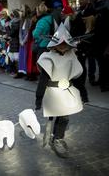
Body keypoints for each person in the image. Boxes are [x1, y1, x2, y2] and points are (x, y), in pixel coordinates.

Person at [35, 18, 84, 158]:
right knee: (55, 115)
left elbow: (77, 77)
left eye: (65, 43)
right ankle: (53, 136)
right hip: (52, 93)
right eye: (60, 43)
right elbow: (43, 80)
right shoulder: (47, 58)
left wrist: (83, 93)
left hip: (66, 92)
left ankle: (58, 138)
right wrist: (39, 99)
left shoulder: (71, 57)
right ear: (54, 44)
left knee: (64, 117)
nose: (62, 46)